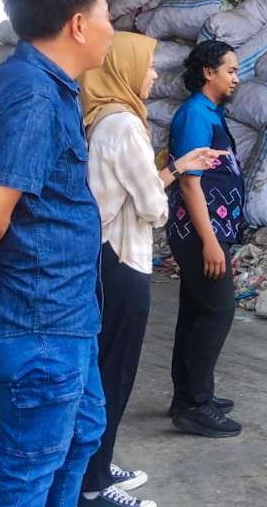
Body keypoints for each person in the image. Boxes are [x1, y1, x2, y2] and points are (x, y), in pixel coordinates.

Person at [0, 0, 114, 506]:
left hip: (64, 313)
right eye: (107, 12)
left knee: (83, 432)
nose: (113, 27)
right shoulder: (33, 96)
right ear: (79, 25)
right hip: (39, 318)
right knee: (30, 465)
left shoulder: (23, 84)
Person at [77, 32, 226, 507]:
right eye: (148, 66)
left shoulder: (103, 118)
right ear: (123, 69)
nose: (155, 75)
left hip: (106, 256)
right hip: (121, 259)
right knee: (113, 371)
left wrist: (178, 164)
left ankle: (98, 463)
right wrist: (175, 172)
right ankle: (94, 484)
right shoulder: (124, 125)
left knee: (106, 368)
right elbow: (151, 208)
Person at [165, 39, 244, 438]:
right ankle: (195, 405)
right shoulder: (196, 114)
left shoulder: (208, 112)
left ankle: (190, 396)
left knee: (198, 312)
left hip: (204, 231)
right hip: (199, 233)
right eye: (230, 70)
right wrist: (211, 242)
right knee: (217, 310)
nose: (236, 77)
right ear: (208, 72)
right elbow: (191, 184)